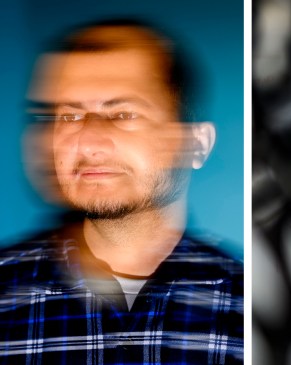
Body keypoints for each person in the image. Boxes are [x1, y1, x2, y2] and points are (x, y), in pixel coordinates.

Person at [0, 20, 243, 364]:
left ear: (196, 144)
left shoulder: (253, 305)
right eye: (69, 117)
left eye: (123, 113)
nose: (89, 141)